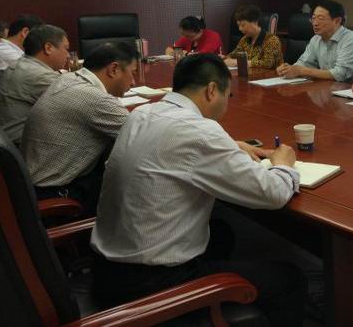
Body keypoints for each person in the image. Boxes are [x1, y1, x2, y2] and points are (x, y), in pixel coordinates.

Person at [91, 54, 306, 326]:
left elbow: (176, 147)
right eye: (228, 95)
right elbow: (273, 194)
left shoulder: (142, 113)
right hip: (149, 284)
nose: (227, 104)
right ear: (212, 90)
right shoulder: (201, 132)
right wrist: (284, 165)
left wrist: (229, 146)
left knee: (222, 233)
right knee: (289, 279)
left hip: (106, 269)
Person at [21, 42, 138, 215]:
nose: (133, 82)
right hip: (59, 196)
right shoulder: (96, 99)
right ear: (113, 69)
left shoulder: (69, 78)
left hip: (33, 186)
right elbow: (143, 137)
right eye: (133, 73)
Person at [0, 25, 69, 146]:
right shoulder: (38, 76)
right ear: (48, 48)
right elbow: (79, 101)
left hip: (8, 139)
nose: (68, 55)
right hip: (23, 147)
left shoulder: (23, 64)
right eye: (66, 49)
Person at [276, 0, 353, 82]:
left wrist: (301, 70)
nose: (315, 23)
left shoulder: (351, 40)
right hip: (331, 89)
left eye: (320, 18)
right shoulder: (316, 39)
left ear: (337, 21)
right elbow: (304, 63)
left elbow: (340, 74)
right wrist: (288, 69)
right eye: (313, 18)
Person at [0, 14, 44, 112]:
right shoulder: (5, 53)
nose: (41, 44)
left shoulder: (7, 49)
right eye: (40, 39)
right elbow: (36, 79)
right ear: (25, 32)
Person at [223, 4, 283, 69]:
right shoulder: (244, 39)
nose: (240, 29)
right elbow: (234, 54)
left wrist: (239, 62)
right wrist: (223, 58)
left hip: (270, 75)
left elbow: (268, 63)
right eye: (238, 25)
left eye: (243, 25)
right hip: (251, 74)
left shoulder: (271, 40)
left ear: (255, 22)